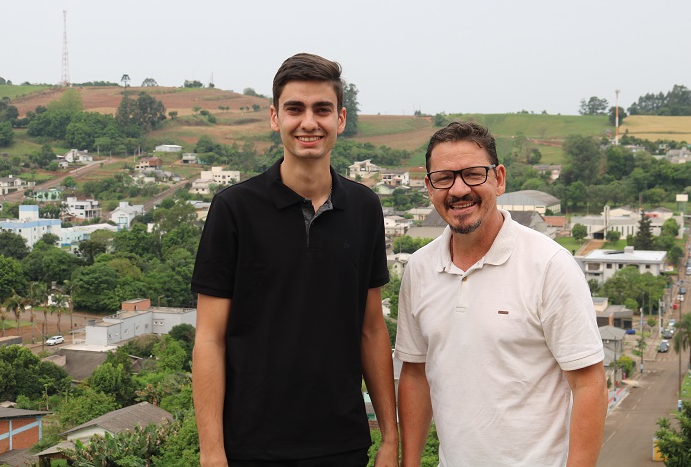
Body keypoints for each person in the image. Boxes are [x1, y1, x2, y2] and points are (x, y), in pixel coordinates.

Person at [192, 53, 398, 466]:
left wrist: (390, 438)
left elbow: (371, 329)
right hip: (251, 447)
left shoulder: (364, 208)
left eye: (322, 109)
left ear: (340, 119)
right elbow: (210, 339)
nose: (309, 122)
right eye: (295, 109)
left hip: (343, 445)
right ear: (275, 117)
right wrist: (212, 453)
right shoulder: (234, 209)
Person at [396, 122, 607, 466]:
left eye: (473, 174)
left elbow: (590, 387)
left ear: (499, 178)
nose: (459, 189)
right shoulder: (419, 269)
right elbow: (415, 375)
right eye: (444, 178)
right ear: (429, 188)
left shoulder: (549, 265)